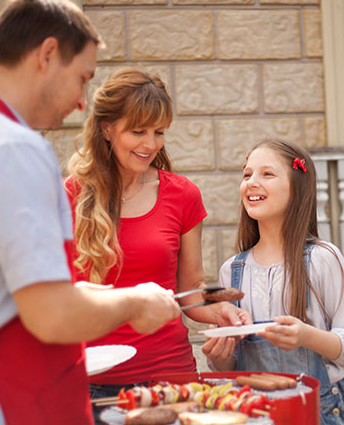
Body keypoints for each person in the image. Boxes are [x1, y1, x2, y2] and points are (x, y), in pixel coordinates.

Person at [0, 0, 181, 425]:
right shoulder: (16, 148)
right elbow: (51, 316)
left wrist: (89, 294)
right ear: (48, 54)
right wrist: (134, 301)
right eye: (82, 78)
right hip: (17, 395)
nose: (80, 101)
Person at [65, 68, 251, 422]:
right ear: (107, 128)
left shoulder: (182, 195)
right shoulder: (67, 197)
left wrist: (221, 313)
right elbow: (56, 297)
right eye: (138, 131)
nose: (150, 144)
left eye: (159, 132)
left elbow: (192, 288)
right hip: (89, 386)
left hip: (170, 381)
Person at [202, 138, 344, 425]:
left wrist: (306, 336)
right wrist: (220, 356)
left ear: (297, 188)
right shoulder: (232, 271)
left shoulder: (322, 259)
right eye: (247, 174)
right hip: (253, 414)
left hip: (319, 414)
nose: (252, 182)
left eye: (267, 174)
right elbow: (230, 366)